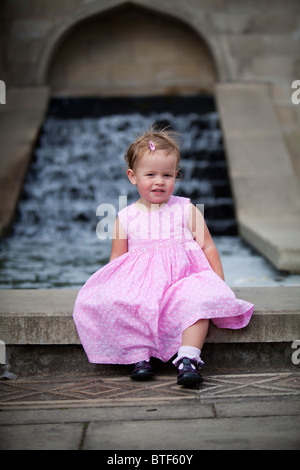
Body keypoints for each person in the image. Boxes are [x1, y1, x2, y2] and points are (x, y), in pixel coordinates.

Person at [73, 127, 254, 387]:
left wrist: (219, 283)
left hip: (182, 281)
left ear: (176, 176)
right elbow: (117, 260)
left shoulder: (185, 209)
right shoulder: (125, 218)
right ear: (133, 177)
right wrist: (113, 289)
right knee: (127, 304)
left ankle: (189, 357)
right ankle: (138, 356)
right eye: (151, 175)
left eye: (167, 175)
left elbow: (208, 247)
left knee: (197, 302)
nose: (160, 181)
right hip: (142, 286)